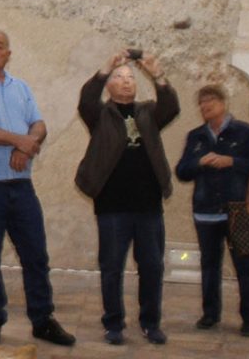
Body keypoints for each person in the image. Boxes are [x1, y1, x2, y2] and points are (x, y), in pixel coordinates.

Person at [0, 30, 75, 346]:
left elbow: (39, 124)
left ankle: (42, 320)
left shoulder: (21, 87)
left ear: (9, 54)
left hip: (21, 186)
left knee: (36, 255)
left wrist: (26, 144)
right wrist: (16, 139)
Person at [75, 51, 179, 345]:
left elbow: (171, 107)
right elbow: (85, 100)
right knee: (112, 267)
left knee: (151, 266)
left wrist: (157, 75)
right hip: (112, 206)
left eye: (130, 78)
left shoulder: (148, 112)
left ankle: (150, 322)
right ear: (110, 85)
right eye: (119, 78)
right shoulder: (101, 115)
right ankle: (113, 324)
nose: (125, 82)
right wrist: (105, 68)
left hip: (148, 206)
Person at [175, 84, 249, 337]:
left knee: (245, 267)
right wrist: (199, 162)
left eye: (210, 100)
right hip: (206, 211)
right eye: (202, 102)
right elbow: (182, 171)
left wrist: (231, 161)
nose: (205, 106)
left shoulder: (244, 132)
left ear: (223, 103)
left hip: (239, 211)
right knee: (210, 266)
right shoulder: (196, 136)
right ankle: (210, 314)